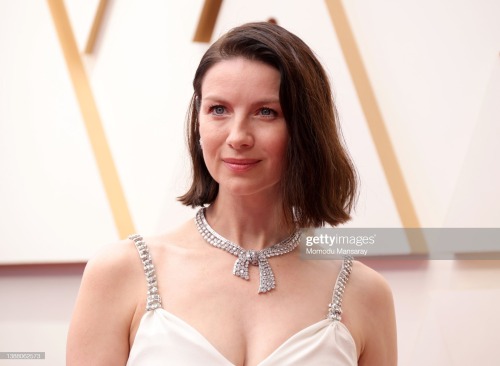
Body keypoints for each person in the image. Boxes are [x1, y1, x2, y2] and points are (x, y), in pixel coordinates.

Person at [67, 22, 397, 365]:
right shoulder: (121, 272)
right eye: (218, 109)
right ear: (198, 121)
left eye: (266, 112)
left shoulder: (365, 293)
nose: (238, 136)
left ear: (305, 129)